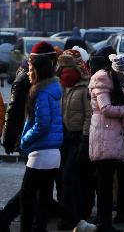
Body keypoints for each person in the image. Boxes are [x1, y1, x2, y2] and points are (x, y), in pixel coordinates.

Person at [88, 48, 124, 232]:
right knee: (104, 180)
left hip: (116, 134)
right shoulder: (103, 79)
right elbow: (106, 108)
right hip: (105, 134)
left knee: (117, 177)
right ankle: (105, 222)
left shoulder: (121, 83)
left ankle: (111, 219)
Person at [19, 43, 64, 232]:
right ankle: (80, 224)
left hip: (41, 152)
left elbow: (42, 124)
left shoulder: (42, 92)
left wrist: (25, 140)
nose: (28, 73)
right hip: (51, 151)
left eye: (30, 69)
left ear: (38, 71)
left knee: (26, 196)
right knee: (43, 198)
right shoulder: (53, 89)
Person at [57, 49, 95, 227]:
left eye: (69, 68)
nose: (65, 72)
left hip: (79, 138)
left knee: (71, 178)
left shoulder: (85, 87)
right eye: (63, 68)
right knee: (68, 179)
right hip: (63, 138)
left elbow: (89, 115)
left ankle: (73, 216)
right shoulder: (60, 86)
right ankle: (72, 214)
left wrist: (85, 139)